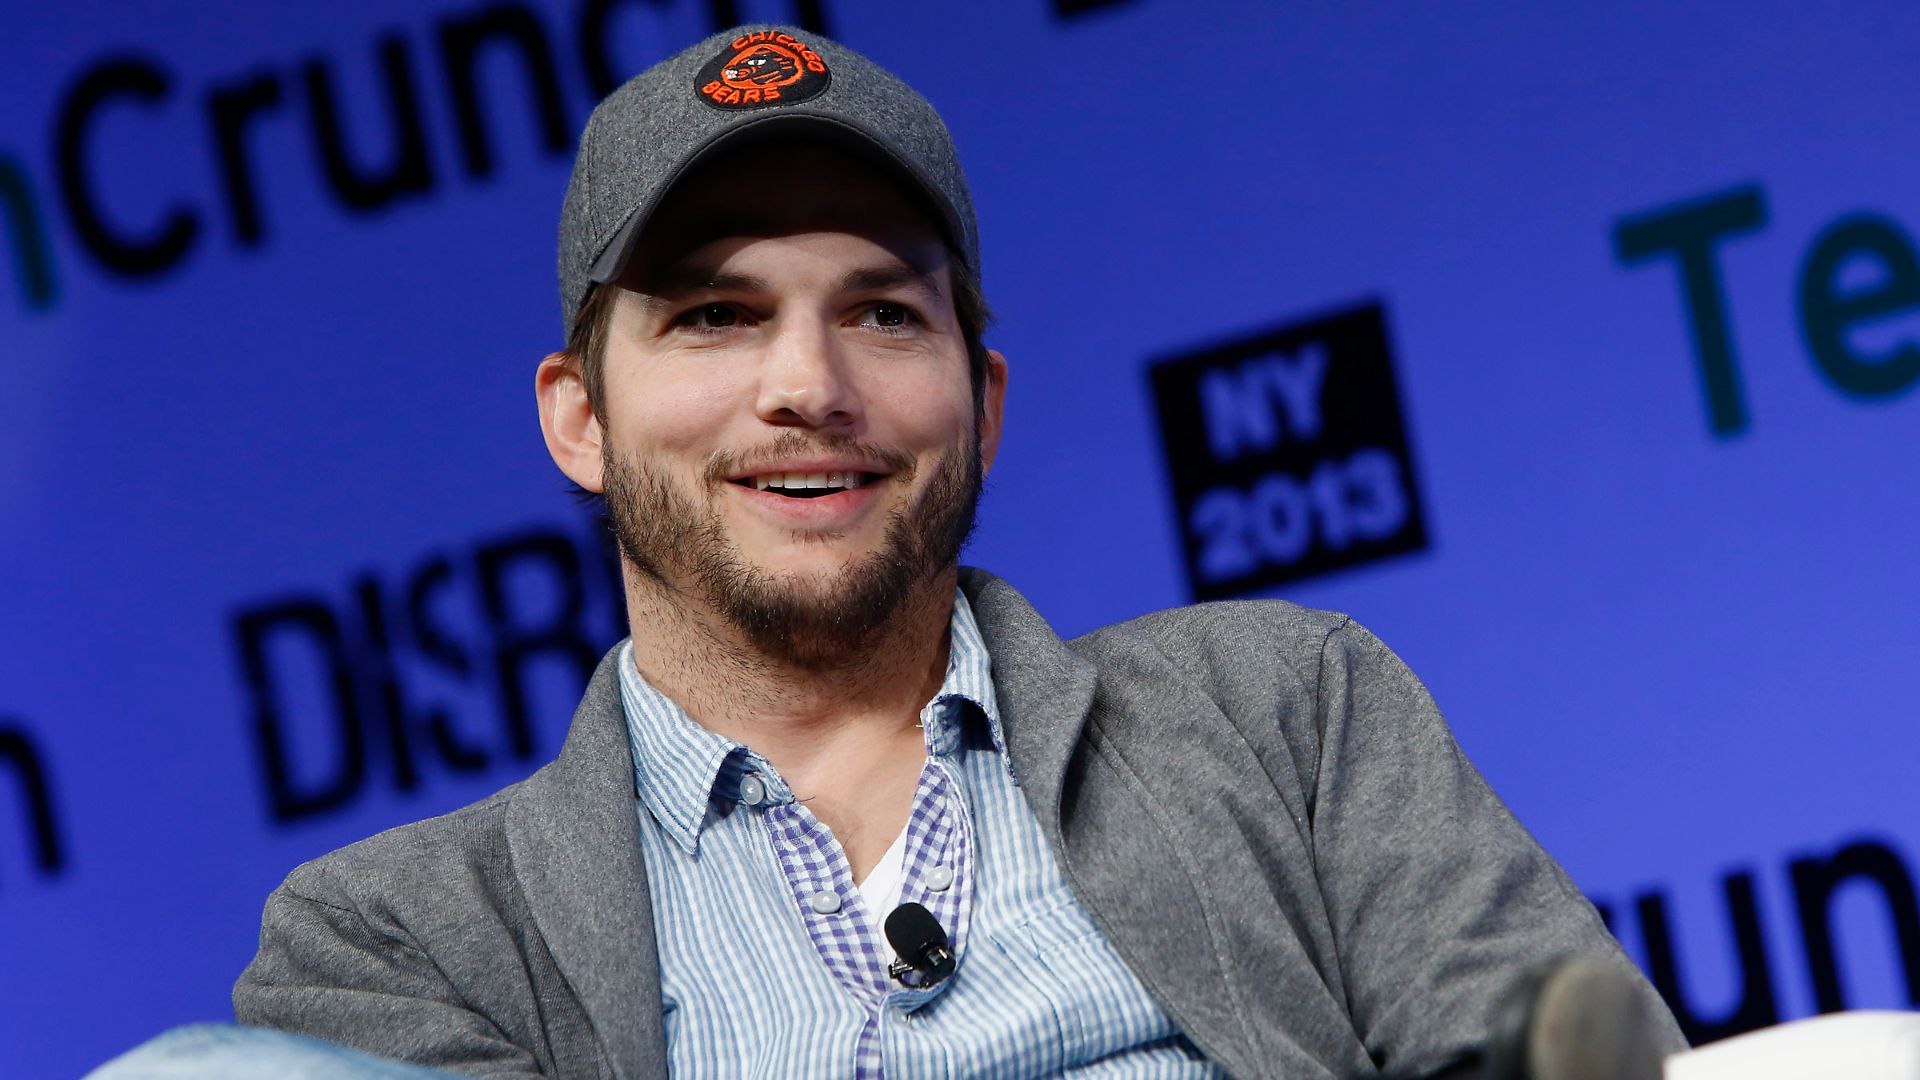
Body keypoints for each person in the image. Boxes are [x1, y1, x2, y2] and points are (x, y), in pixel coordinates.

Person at [228, 24, 1686, 1080]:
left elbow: (1566, 1046)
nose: (807, 384)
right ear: (580, 419)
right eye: (714, 315)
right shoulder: (399, 936)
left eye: (882, 311)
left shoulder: (1280, 710)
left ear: (980, 403)